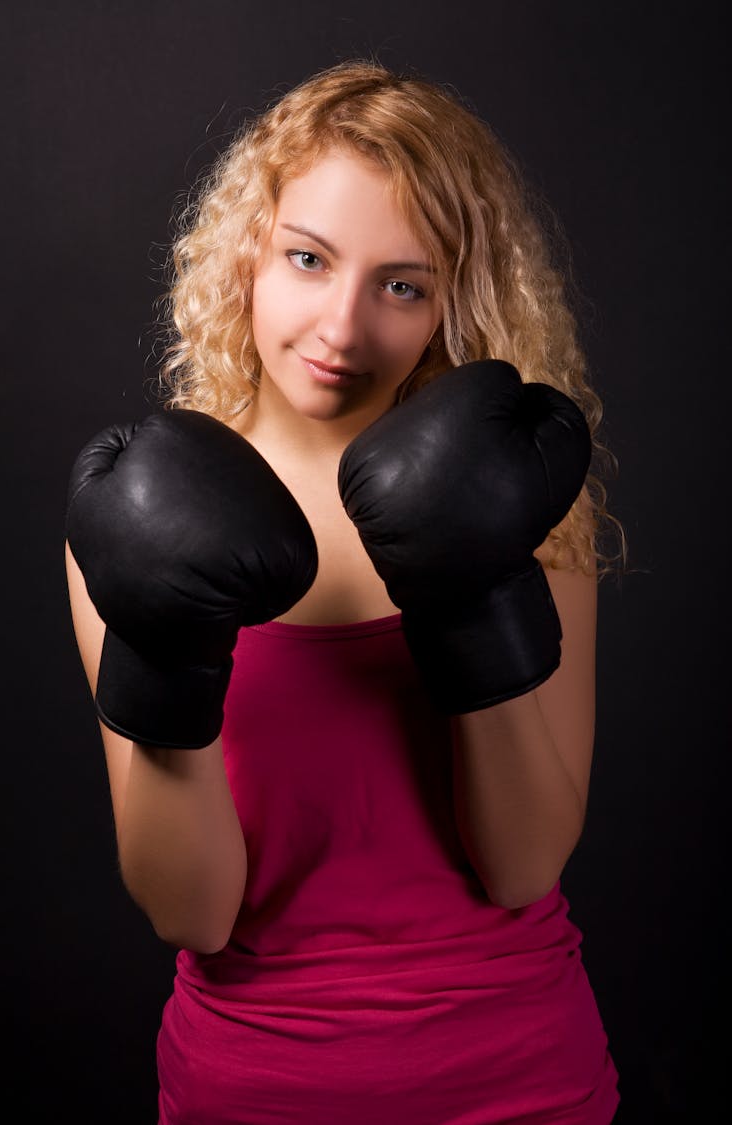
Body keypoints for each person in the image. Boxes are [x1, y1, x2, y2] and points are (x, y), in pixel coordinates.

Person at [65, 60, 623, 1124]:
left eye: (400, 284)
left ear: (454, 298)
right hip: (252, 1086)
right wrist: (172, 645)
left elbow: (524, 866)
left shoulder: (521, 497)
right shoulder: (139, 513)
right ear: (249, 254)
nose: (340, 328)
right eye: (309, 260)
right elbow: (192, 912)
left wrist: (469, 584)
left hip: (517, 1077)